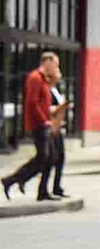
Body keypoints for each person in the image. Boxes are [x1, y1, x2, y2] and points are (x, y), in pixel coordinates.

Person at [3, 52, 61, 202]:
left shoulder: (43, 80)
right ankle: (14, 180)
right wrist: (44, 121)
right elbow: (32, 103)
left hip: (44, 124)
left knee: (50, 157)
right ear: (46, 62)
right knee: (45, 157)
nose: (56, 68)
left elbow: (42, 103)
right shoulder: (35, 78)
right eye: (55, 64)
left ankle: (31, 186)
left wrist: (51, 112)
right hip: (39, 126)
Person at [47, 65, 71, 199]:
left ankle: (57, 187)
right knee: (51, 158)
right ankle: (17, 178)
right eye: (58, 71)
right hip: (52, 128)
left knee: (60, 158)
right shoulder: (48, 90)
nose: (60, 74)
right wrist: (60, 107)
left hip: (59, 126)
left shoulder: (56, 89)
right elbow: (48, 108)